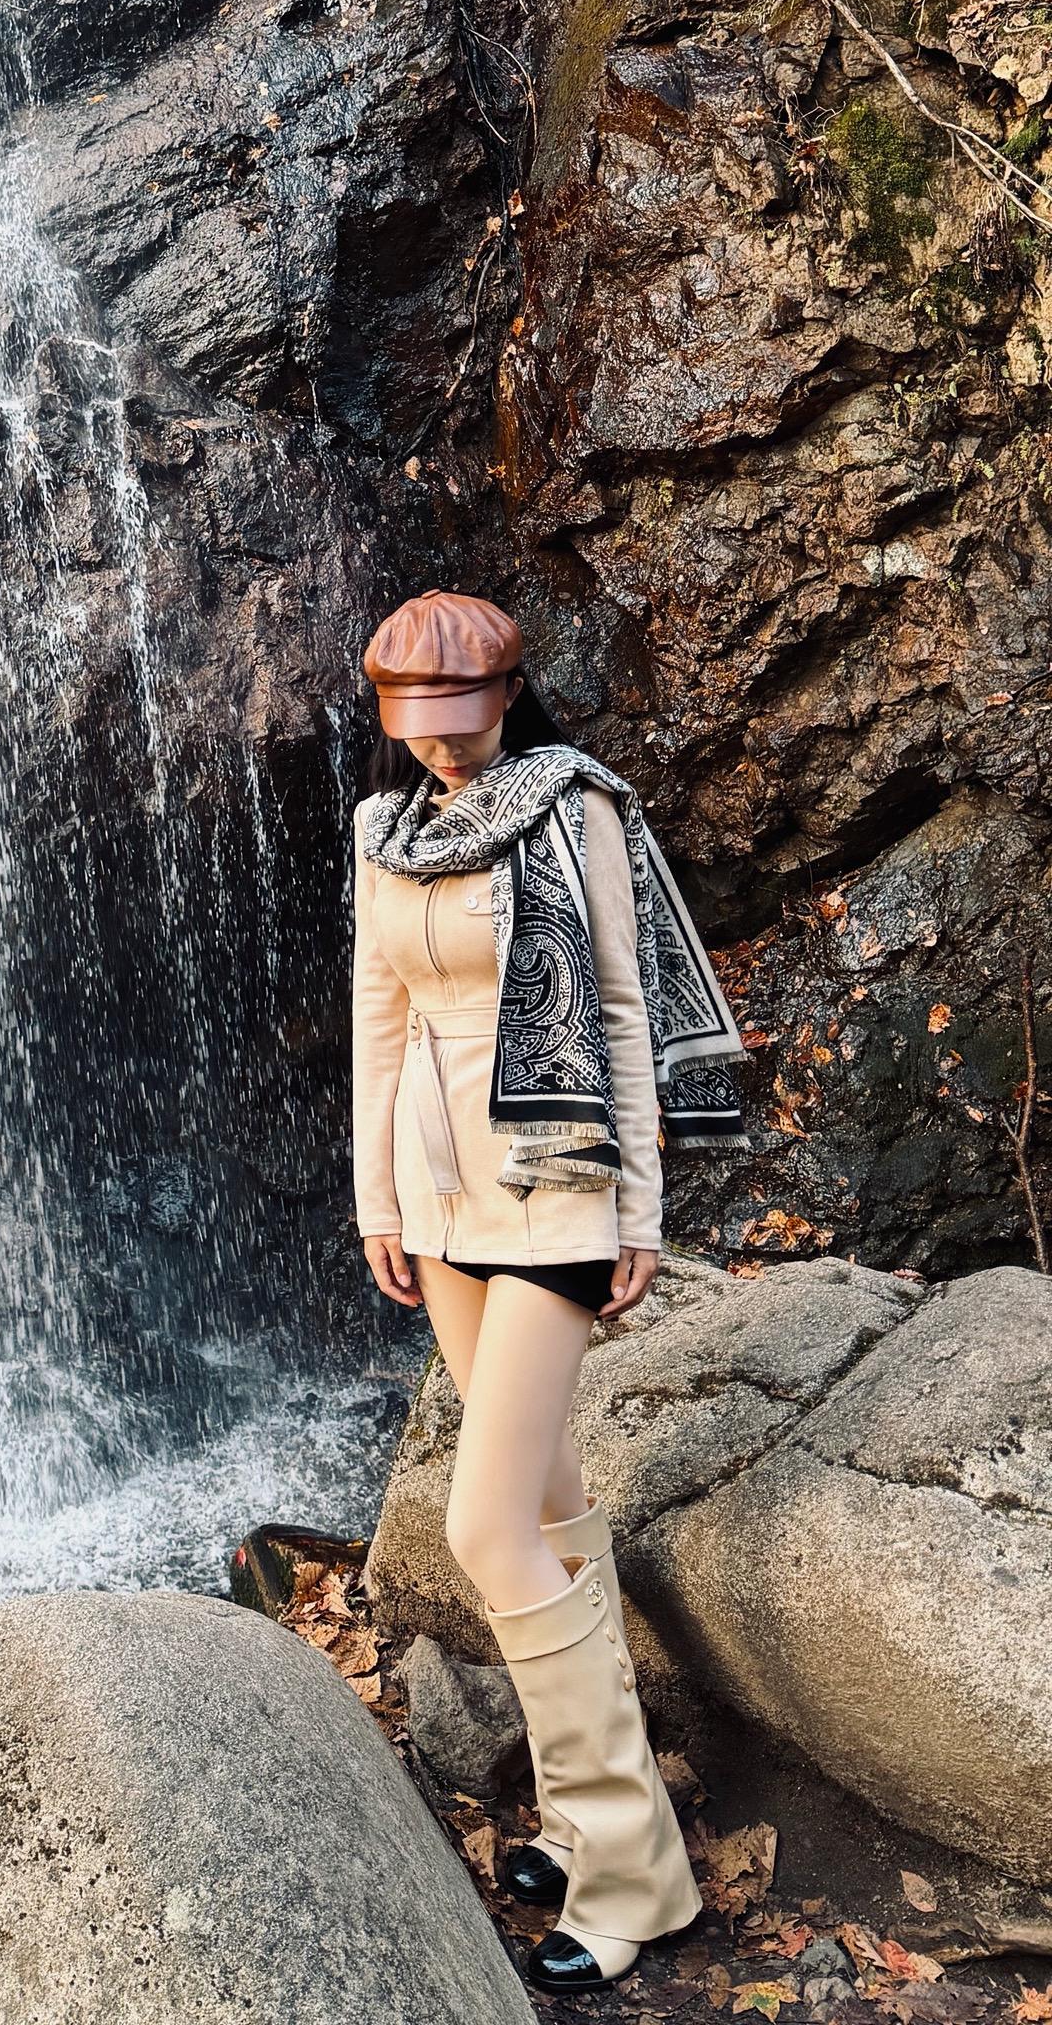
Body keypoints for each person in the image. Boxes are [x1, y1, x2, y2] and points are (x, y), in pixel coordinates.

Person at [349, 589, 748, 1997]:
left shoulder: (578, 808)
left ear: (509, 700)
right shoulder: (383, 829)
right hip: (442, 1204)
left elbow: (628, 1006)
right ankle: (589, 1829)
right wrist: (378, 1202)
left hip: (559, 1188)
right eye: (420, 734)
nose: (444, 757)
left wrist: (640, 1204)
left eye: (463, 730)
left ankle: (636, 1872)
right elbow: (379, 1021)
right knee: (554, 1515)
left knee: (484, 1528)